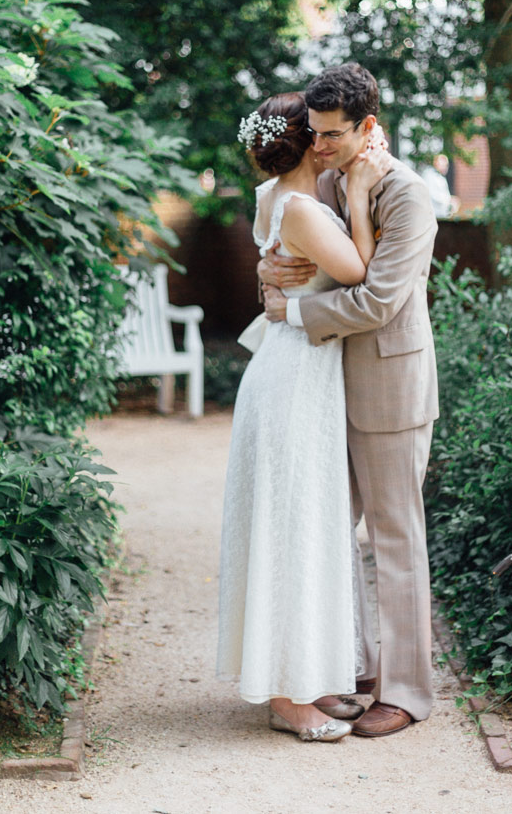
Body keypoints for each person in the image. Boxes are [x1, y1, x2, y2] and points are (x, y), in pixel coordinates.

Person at [261, 62, 439, 738]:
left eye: (334, 134)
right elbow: (296, 255)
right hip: (323, 387)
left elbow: (377, 299)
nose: (320, 145)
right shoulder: (327, 181)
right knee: (329, 530)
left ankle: (408, 691)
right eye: (314, 131)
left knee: (395, 539)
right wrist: (267, 270)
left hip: (391, 389)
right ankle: (352, 664)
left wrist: (290, 314)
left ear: (368, 126)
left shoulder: (409, 195)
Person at [216, 91, 390, 742]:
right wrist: (365, 197)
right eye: (316, 133)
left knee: (304, 525)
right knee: (293, 529)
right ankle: (288, 698)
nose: (327, 141)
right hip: (295, 375)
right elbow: (362, 272)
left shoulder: (274, 199)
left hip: (292, 367)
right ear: (307, 142)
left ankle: (306, 675)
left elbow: (286, 270)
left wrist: (272, 272)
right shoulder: (301, 208)